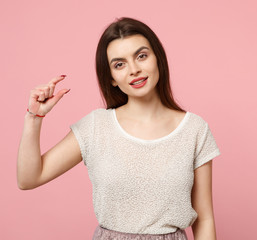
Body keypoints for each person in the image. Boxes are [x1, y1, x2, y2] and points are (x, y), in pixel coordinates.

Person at [17, 17, 221, 240]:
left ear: (158, 60)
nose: (134, 69)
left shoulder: (194, 130)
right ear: (112, 78)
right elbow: (29, 179)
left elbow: (205, 218)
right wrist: (34, 117)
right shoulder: (96, 127)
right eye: (119, 64)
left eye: (141, 56)